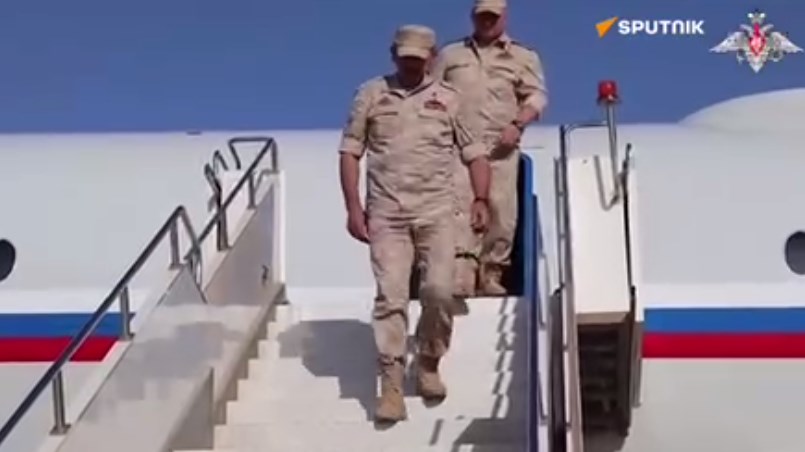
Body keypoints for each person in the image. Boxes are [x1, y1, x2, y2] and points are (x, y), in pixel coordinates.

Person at [338, 24, 491, 422]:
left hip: (436, 212)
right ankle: (390, 384)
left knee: (438, 291)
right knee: (391, 297)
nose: (410, 65)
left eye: (418, 60)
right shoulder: (372, 94)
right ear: (393, 55)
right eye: (404, 58)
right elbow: (351, 151)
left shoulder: (449, 99)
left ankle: (428, 361)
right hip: (387, 214)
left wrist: (480, 198)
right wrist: (353, 207)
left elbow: (475, 153)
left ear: (432, 58)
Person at [433, 0, 548, 296]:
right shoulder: (451, 54)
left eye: (493, 17)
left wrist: (518, 124)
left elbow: (536, 97)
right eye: (482, 16)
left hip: (500, 148)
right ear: (473, 17)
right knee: (460, 208)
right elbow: (431, 93)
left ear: (504, 18)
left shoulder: (523, 56)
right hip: (458, 146)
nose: (487, 22)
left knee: (501, 211)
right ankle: (463, 272)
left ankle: (492, 273)